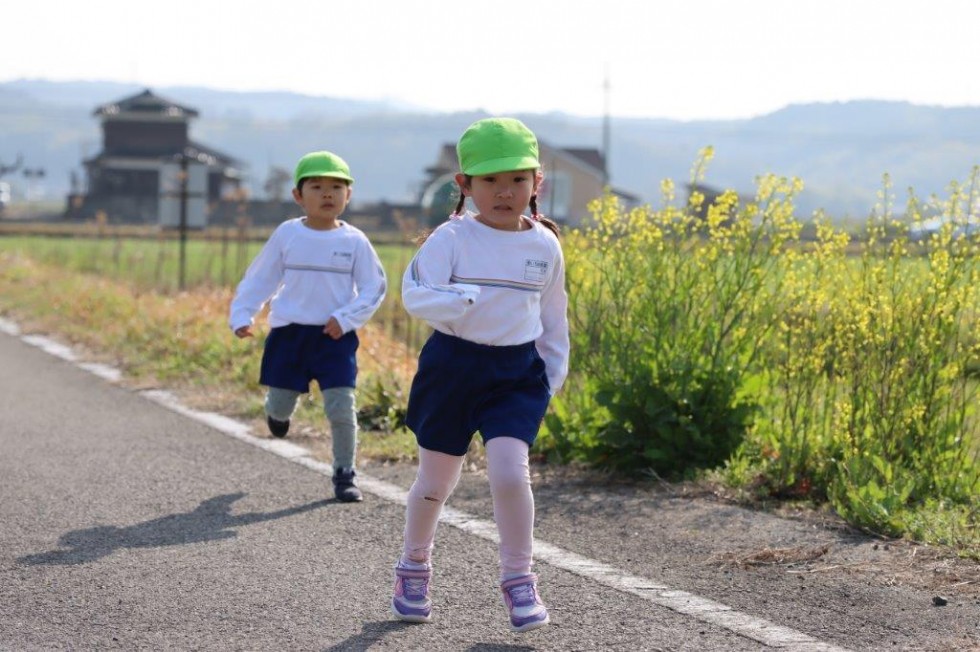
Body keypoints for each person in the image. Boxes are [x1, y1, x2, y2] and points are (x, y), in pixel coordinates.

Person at [391, 118, 569, 632]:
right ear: (465, 186)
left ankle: (519, 582)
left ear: (537, 184)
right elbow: (415, 292)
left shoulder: (545, 246)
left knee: (511, 473)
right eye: (490, 181)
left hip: (516, 375)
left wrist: (549, 381)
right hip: (452, 367)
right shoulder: (452, 238)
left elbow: (554, 320)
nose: (504, 192)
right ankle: (414, 567)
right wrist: (463, 297)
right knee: (435, 483)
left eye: (517, 180)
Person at [229, 151, 387, 502]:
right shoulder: (288, 235)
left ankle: (344, 473)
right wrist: (243, 315)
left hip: (335, 337)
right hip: (289, 336)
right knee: (282, 403)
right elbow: (260, 278)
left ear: (349, 195)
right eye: (316, 187)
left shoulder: (355, 241)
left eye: (336, 187)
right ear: (298, 196)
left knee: (341, 406)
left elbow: (375, 287)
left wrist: (346, 318)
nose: (327, 194)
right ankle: (276, 412)